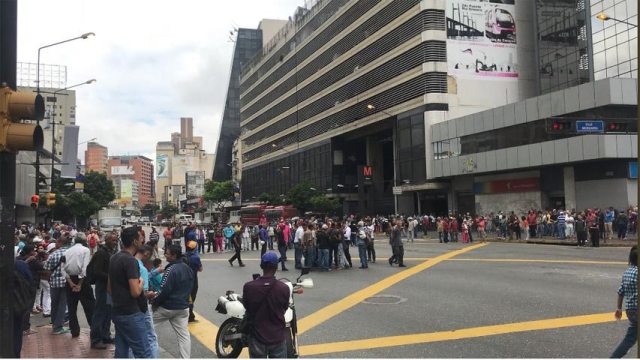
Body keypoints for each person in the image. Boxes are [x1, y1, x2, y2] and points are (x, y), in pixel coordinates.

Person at [108, 226, 152, 358]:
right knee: (144, 353)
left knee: (121, 352)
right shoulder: (130, 261)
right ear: (134, 241)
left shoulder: (114, 258)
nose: (142, 240)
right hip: (131, 314)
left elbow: (109, 288)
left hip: (117, 311)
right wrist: (142, 283)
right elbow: (135, 292)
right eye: (140, 237)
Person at [242, 252, 291, 358]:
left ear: (261, 266)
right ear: (276, 266)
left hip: (257, 336)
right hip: (277, 336)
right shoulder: (283, 288)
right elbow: (284, 307)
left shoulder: (249, 287)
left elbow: (246, 307)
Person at [152, 244, 194, 359]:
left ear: (174, 255)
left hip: (167, 308)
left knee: (148, 327)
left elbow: (164, 289)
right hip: (183, 308)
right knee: (184, 336)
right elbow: (192, 287)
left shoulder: (171, 269)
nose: (165, 255)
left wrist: (155, 302)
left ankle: (149, 355)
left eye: (167, 253)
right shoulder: (188, 268)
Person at [62, 233, 96, 339]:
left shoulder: (67, 251)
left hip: (70, 280)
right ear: (84, 241)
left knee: (72, 308)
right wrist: (80, 284)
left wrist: (71, 283)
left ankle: (74, 331)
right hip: (82, 280)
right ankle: (94, 330)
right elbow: (84, 268)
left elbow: (63, 269)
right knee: (90, 307)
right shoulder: (85, 250)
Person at [90, 231, 117, 349]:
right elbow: (97, 272)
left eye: (116, 240)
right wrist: (111, 277)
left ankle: (105, 335)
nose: (115, 242)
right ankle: (96, 339)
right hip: (102, 286)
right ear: (106, 240)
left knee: (108, 312)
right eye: (112, 240)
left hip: (109, 286)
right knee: (100, 312)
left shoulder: (111, 252)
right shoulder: (101, 253)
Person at [611, 246, 637, 358]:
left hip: (631, 311)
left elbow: (621, 291)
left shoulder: (627, 272)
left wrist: (618, 308)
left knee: (630, 339)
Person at [133, 246, 159, 358]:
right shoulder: (142, 268)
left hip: (129, 306)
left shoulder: (130, 262)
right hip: (142, 305)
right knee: (151, 337)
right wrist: (151, 294)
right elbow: (143, 293)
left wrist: (155, 272)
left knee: (131, 337)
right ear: (146, 254)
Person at [43, 233, 70, 335]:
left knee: (54, 303)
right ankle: (58, 327)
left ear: (59, 242)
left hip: (54, 282)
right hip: (66, 281)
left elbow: (46, 268)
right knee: (62, 304)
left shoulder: (53, 254)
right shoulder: (70, 253)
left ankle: (54, 324)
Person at [185, 241, 203, 322]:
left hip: (184, 279)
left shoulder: (183, 256)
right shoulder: (195, 258)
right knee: (192, 297)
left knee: (187, 297)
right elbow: (200, 269)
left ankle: (189, 314)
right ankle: (190, 315)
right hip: (193, 280)